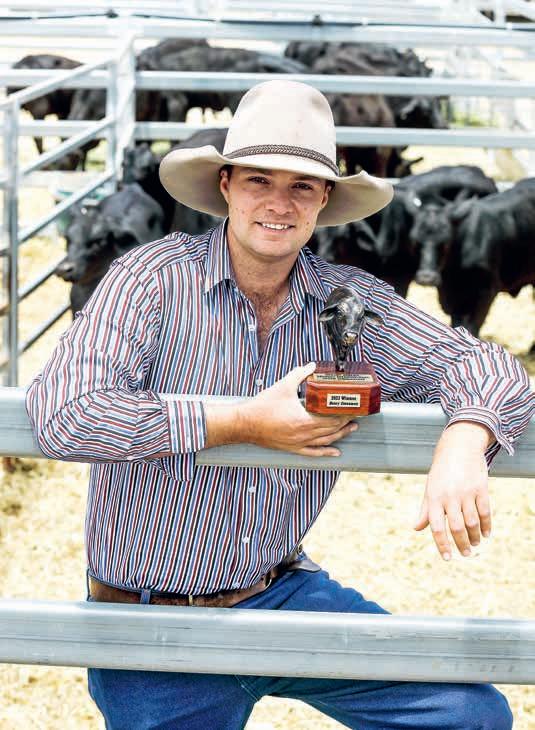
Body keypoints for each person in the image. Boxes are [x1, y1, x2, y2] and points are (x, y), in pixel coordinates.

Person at [26, 80, 533, 730]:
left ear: (323, 199)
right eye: (259, 180)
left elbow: (483, 364)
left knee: (469, 713)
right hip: (151, 618)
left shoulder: (345, 301)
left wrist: (464, 440)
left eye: (301, 186)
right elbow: (64, 412)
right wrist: (243, 422)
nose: (278, 202)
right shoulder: (149, 278)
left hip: (278, 589)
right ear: (226, 186)